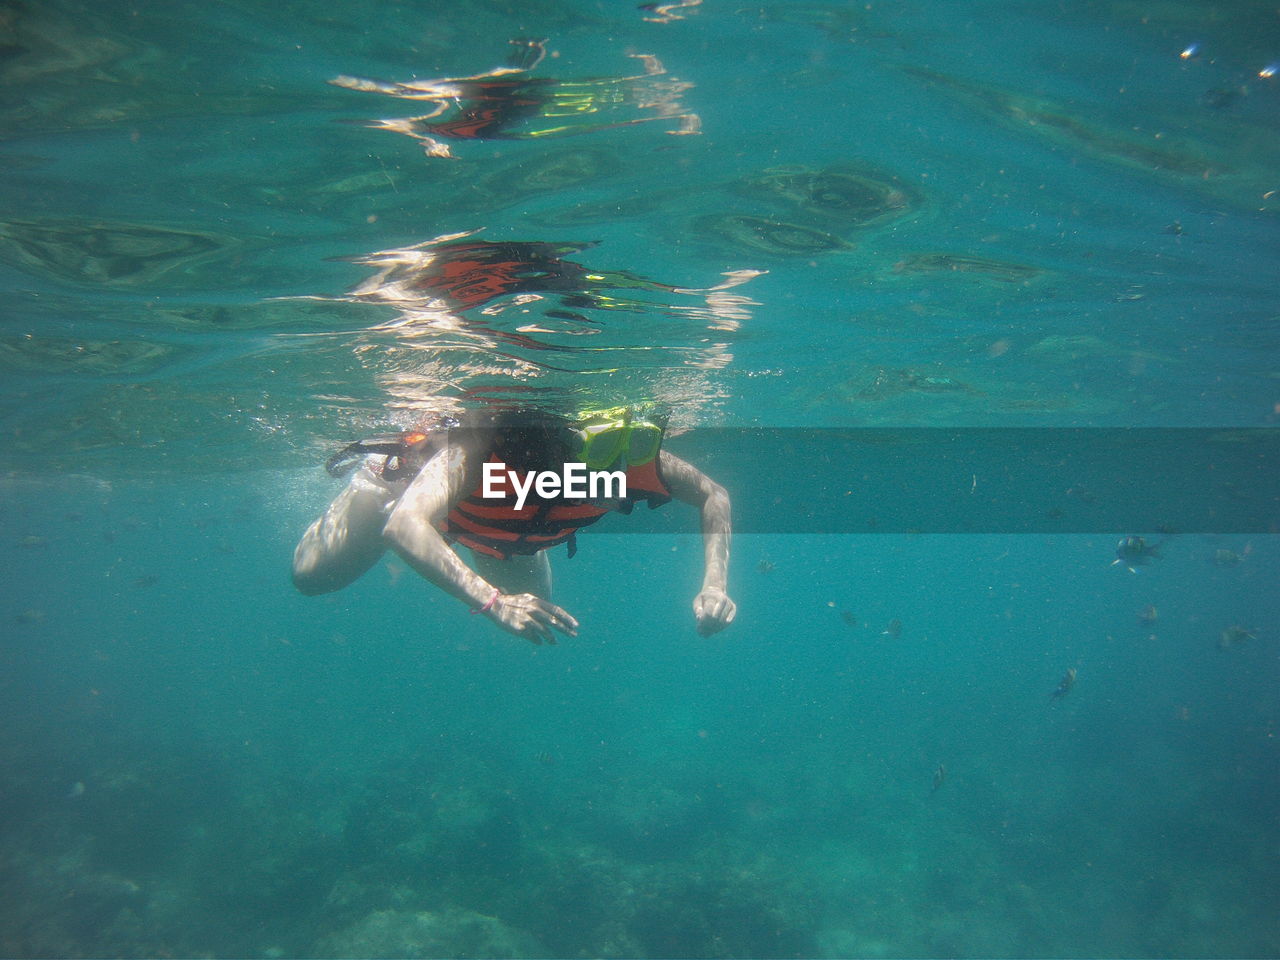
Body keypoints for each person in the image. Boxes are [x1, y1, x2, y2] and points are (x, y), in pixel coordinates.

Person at [293, 406, 735, 644]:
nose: (609, 480)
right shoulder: (481, 446)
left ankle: (453, 533)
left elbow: (714, 495)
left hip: (495, 529)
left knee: (537, 607)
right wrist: (492, 602)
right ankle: (382, 485)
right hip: (407, 497)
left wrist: (715, 584)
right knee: (312, 576)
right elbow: (404, 526)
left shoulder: (629, 460)